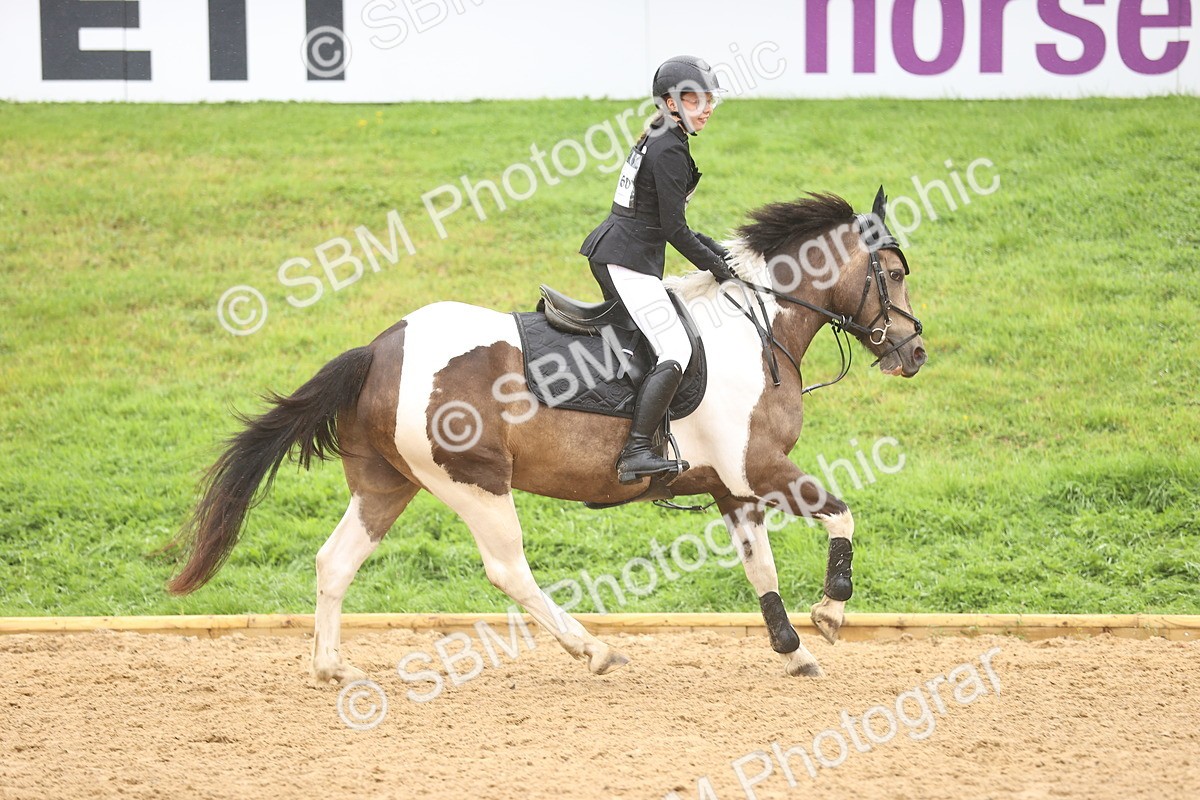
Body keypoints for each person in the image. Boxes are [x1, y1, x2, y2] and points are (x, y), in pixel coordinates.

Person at [580, 55, 734, 485]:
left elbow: (672, 223)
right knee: (676, 347)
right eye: (694, 98)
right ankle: (636, 451)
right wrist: (719, 269)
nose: (706, 107)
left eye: (709, 99)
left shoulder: (662, 133)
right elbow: (674, 230)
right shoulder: (669, 146)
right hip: (626, 259)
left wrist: (720, 253)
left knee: (657, 339)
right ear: (669, 102)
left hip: (623, 251)